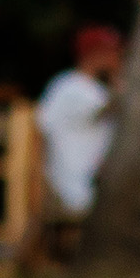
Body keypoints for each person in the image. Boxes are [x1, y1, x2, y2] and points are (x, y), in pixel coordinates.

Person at [36, 25, 122, 217]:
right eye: (112, 52)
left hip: (95, 187)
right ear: (93, 54)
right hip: (77, 189)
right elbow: (113, 108)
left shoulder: (96, 89)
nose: (117, 57)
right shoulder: (70, 86)